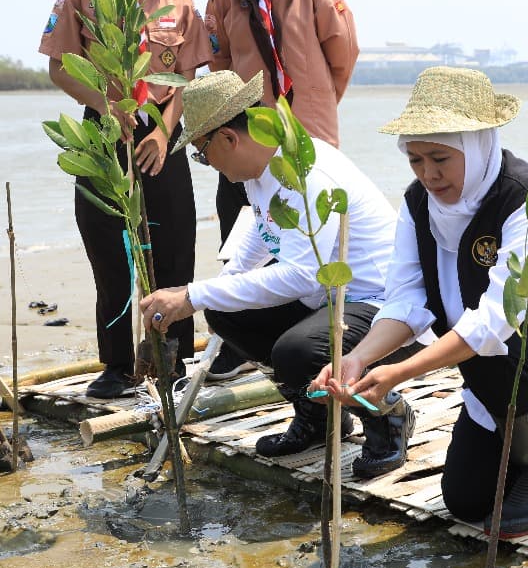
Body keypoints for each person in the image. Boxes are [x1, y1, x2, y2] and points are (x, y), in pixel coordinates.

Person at [309, 67, 528, 538]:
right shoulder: (418, 204)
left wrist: (399, 373)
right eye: (416, 160)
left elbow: (495, 320)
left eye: (441, 158)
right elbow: (404, 300)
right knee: (466, 500)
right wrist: (358, 359)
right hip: (495, 360)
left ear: (478, 143)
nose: (429, 174)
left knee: (495, 344)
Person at [138, 70, 416, 476]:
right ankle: (320, 418)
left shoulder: (306, 174)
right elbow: (258, 233)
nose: (205, 162)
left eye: (201, 153)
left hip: (377, 306)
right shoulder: (262, 168)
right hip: (326, 298)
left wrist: (194, 295)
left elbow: (304, 275)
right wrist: (210, 291)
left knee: (297, 350)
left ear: (228, 139)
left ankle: (387, 416)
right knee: (225, 310)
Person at [39, 0, 210, 399]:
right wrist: (107, 106)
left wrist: (164, 131)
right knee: (109, 253)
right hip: (104, 135)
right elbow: (60, 67)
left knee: (175, 249)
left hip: (162, 136)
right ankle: (116, 365)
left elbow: (185, 78)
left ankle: (173, 360)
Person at [204, 0, 360, 381]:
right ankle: (240, 342)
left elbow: (343, 55)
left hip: (308, 135)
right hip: (248, 140)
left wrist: (314, 104)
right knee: (245, 227)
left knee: (312, 242)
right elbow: (221, 64)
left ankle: (312, 339)